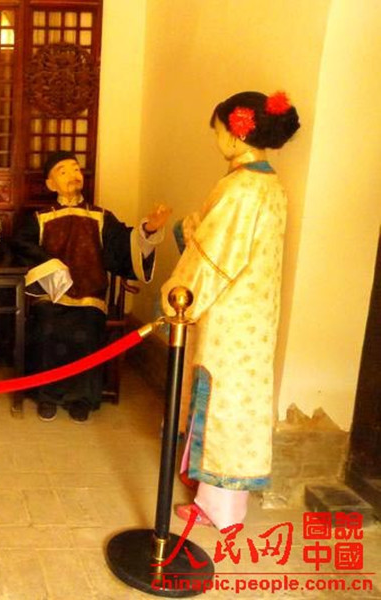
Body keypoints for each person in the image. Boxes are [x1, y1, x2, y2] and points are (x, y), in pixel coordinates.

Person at [164, 91, 300, 529]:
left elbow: (215, 257)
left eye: (219, 129)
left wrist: (177, 294)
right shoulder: (271, 184)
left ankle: (218, 508)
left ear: (236, 131)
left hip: (230, 313)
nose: (216, 138)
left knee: (219, 401)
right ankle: (221, 502)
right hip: (255, 312)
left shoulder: (240, 187)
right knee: (237, 401)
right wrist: (196, 230)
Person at [11, 151, 170, 422]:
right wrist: (50, 264)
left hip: (90, 297)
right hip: (52, 297)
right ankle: (47, 396)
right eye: (63, 171)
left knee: (85, 333)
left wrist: (149, 230)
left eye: (75, 168)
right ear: (51, 184)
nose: (73, 174)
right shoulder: (40, 218)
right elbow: (20, 244)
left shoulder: (101, 217)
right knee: (48, 328)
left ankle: (81, 398)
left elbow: (124, 244)